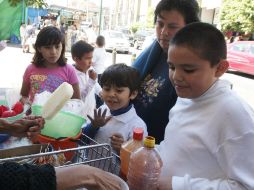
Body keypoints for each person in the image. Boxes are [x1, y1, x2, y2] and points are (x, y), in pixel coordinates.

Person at [157, 22, 254, 190]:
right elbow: (177, 145)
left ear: (219, 68)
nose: (176, 76)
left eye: (188, 70)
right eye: (172, 66)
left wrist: (177, 185)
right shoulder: (187, 95)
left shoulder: (234, 114)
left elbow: (245, 185)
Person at [132, 0, 200, 143]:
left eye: (173, 26)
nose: (164, 32)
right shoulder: (154, 50)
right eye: (160, 24)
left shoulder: (194, 64)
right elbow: (128, 77)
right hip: (131, 138)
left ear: (189, 28)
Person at [83, 63, 147, 154]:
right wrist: (94, 126)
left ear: (133, 94)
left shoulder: (137, 126)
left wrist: (123, 148)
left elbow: (138, 159)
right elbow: (83, 140)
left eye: (119, 90)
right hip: (88, 167)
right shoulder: (101, 111)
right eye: (107, 89)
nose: (111, 94)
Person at [20, 26, 80, 105]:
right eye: (48, 47)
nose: (53, 52)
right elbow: (23, 96)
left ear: (63, 46)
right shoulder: (30, 69)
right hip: (33, 116)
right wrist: (25, 102)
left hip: (59, 116)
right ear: (39, 48)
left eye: (57, 47)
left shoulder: (69, 70)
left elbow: (76, 101)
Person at [71, 40, 102, 120]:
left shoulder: (90, 70)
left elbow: (95, 85)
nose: (91, 62)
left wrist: (101, 93)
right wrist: (91, 81)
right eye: (87, 58)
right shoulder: (72, 75)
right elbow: (79, 98)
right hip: (79, 117)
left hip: (91, 114)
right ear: (76, 59)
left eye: (91, 58)